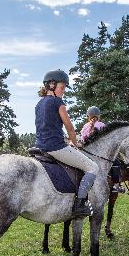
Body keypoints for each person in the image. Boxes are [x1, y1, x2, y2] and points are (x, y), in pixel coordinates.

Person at [34, 70, 98, 218]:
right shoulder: (58, 102)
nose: (63, 92)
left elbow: (46, 127)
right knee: (92, 167)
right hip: (55, 147)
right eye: (62, 88)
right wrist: (74, 144)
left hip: (39, 146)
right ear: (51, 85)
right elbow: (70, 129)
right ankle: (80, 205)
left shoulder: (39, 104)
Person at [80, 106, 125, 193]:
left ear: (88, 116)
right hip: (100, 153)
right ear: (98, 116)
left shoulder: (85, 126)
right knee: (116, 163)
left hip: (87, 153)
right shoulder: (101, 125)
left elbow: (82, 139)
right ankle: (116, 185)